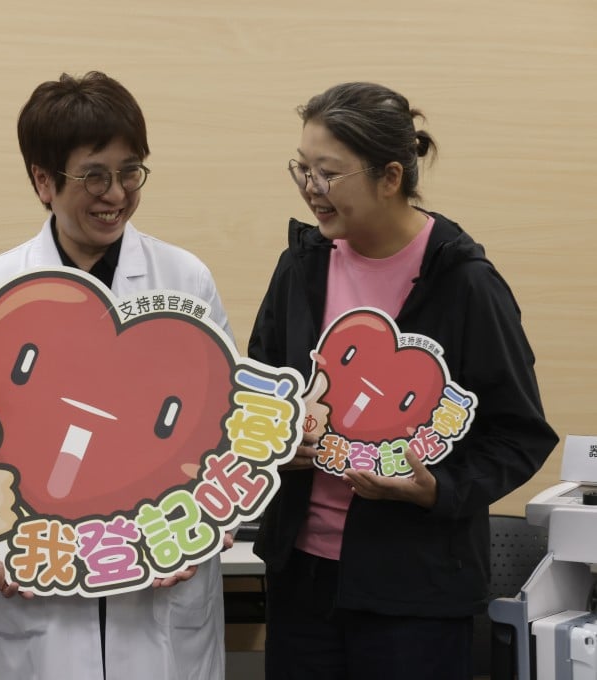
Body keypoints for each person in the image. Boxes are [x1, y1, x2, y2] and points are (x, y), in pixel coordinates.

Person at [247, 81, 558, 680]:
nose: (312, 189)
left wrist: (436, 489)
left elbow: (520, 434)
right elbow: (259, 393)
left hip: (414, 590)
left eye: (329, 173)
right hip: (302, 579)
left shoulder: (464, 282)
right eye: (303, 169)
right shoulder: (302, 266)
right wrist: (277, 444)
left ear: (390, 176)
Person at [0, 71, 230, 680]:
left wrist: (204, 527)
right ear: (43, 181)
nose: (116, 194)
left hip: (160, 573)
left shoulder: (184, 280)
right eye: (94, 175)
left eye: (130, 172)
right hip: (41, 573)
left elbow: (221, 432)